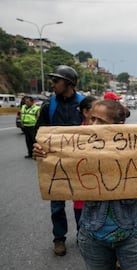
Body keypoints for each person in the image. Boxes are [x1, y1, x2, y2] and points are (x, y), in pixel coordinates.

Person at [34, 99, 137, 270]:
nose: (93, 124)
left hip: (131, 235)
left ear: (118, 125)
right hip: (91, 235)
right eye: (92, 118)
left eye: (100, 121)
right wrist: (44, 155)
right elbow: (61, 169)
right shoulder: (79, 145)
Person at [33, 65, 84, 256]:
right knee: (57, 204)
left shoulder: (84, 104)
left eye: (56, 81)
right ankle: (59, 238)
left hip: (80, 162)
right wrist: (37, 148)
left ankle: (83, 235)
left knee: (82, 202)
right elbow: (40, 133)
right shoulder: (49, 106)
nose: (52, 84)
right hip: (55, 163)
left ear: (69, 83)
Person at [73, 96, 97, 233]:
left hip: (106, 199)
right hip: (82, 199)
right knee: (84, 236)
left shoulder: (110, 134)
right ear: (85, 112)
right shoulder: (73, 136)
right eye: (95, 114)